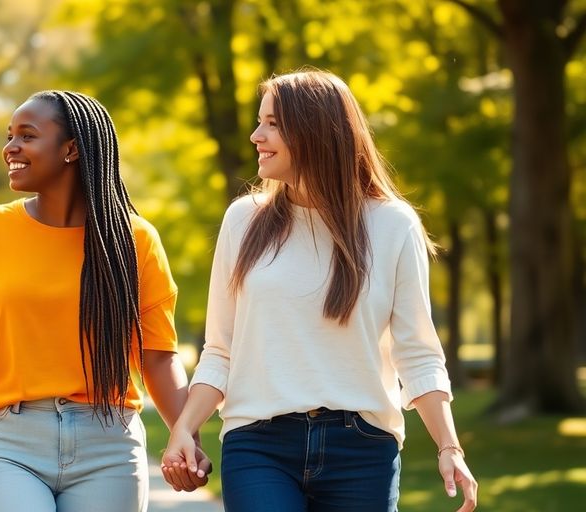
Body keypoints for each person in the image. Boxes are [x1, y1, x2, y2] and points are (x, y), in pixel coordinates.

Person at [161, 69, 478, 511]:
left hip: (363, 448)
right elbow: (221, 349)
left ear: (315, 131)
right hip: (258, 444)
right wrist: (183, 427)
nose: (256, 135)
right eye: (259, 121)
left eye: (272, 123)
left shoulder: (392, 224)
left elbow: (418, 353)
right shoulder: (243, 220)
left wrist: (449, 447)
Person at [0, 90, 211, 511]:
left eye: (27, 136)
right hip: (8, 443)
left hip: (107, 443)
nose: (10, 148)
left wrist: (187, 438)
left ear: (71, 149)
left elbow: (158, 358)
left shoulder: (134, 241)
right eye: (10, 135)